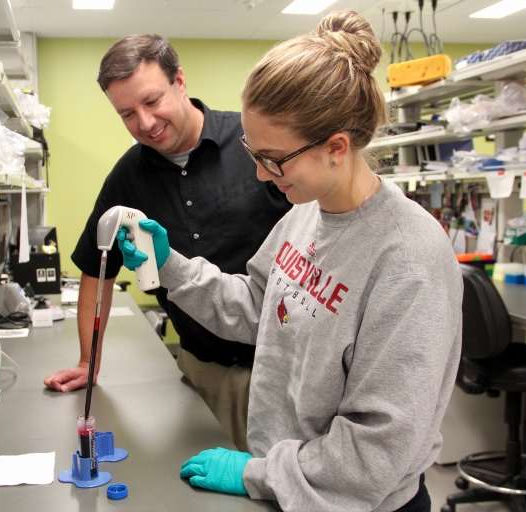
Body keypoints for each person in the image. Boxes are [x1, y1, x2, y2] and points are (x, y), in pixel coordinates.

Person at [114, 10, 462, 512]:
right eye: (254, 152)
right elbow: (258, 308)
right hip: (290, 488)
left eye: (273, 159)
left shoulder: (410, 257)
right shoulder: (305, 217)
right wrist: (170, 266)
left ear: (337, 147)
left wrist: (259, 474)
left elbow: (376, 450)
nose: (259, 175)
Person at [43, 34, 291, 452]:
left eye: (152, 101)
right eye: (127, 114)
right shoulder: (127, 178)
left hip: (287, 368)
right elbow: (95, 266)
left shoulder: (255, 145)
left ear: (180, 82)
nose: (144, 122)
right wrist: (89, 360)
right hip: (204, 372)